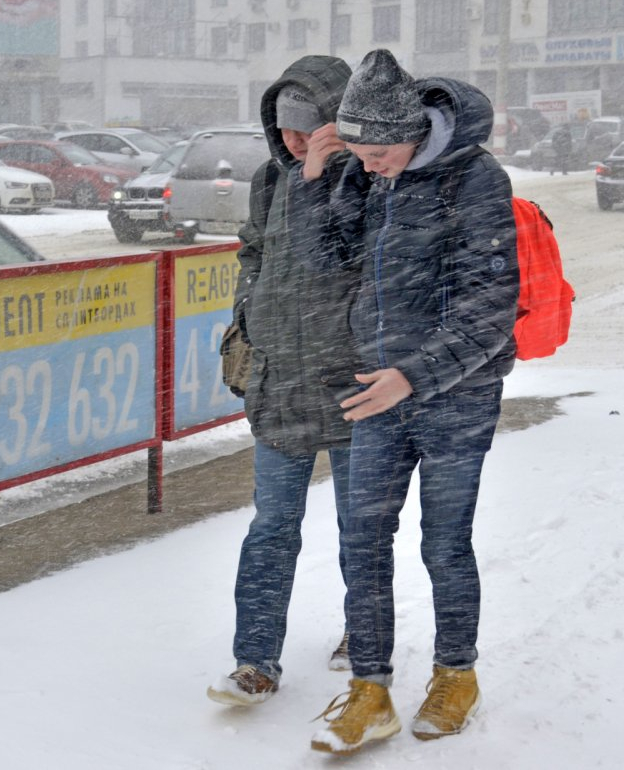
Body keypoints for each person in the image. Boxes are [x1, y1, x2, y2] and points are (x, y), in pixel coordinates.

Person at [308, 49, 519, 755]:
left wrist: (416, 374)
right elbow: (331, 262)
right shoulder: (371, 176)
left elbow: (492, 307)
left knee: (443, 542)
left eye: (378, 151)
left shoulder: (476, 179)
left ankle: (456, 674)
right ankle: (370, 691)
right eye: (358, 152)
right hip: (378, 389)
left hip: (457, 393)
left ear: (416, 133)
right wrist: (323, 179)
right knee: (361, 540)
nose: (370, 163)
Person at [206, 55, 370, 706]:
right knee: (273, 525)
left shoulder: (371, 180)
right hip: (280, 382)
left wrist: (325, 175)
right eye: (286, 129)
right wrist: (247, 317)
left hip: (355, 383)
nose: (296, 141)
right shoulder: (269, 182)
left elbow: (368, 260)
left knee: (362, 524)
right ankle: (255, 663)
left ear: (339, 121)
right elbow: (254, 250)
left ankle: (366, 636)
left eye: (310, 127)